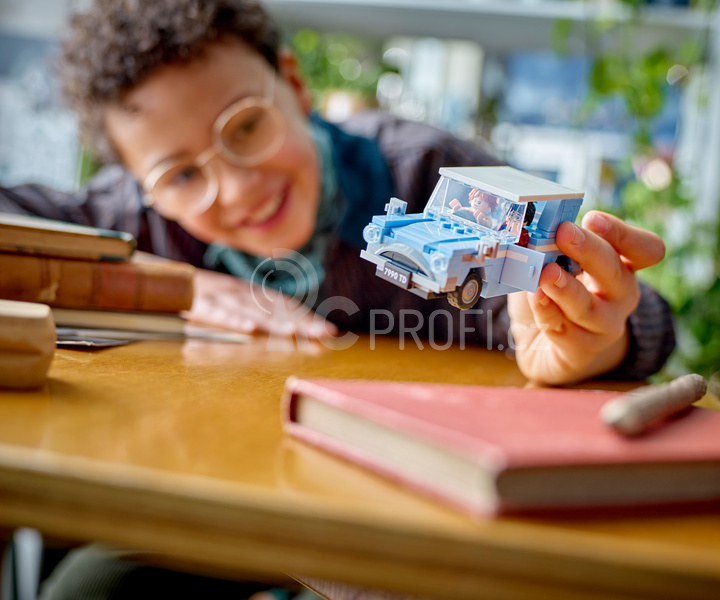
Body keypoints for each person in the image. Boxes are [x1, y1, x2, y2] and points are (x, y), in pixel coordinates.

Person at [0, 1, 674, 596]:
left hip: (396, 512)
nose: (235, 190)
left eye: (244, 128)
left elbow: (634, 320)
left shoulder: (430, 175)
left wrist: (590, 334)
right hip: (213, 498)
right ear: (143, 187)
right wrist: (173, 282)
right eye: (179, 175)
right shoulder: (136, 221)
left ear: (295, 86)